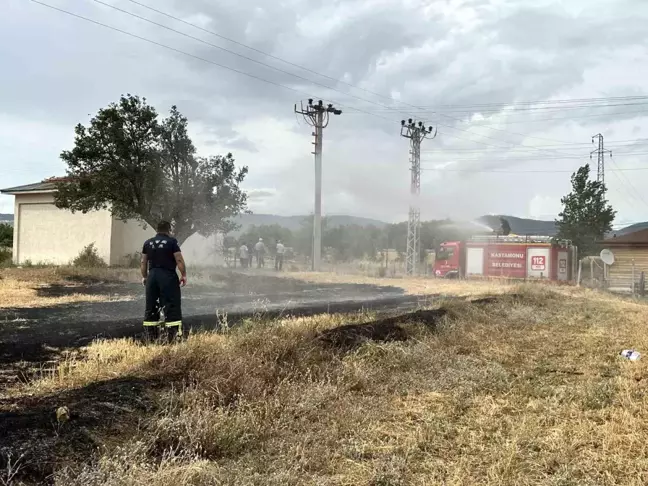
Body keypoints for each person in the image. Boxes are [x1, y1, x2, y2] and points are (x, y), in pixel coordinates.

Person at [141, 221, 187, 343]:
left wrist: (145, 277)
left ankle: (150, 337)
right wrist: (183, 275)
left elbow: (143, 262)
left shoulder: (148, 243)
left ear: (157, 229)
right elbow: (179, 260)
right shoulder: (172, 242)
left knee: (151, 306)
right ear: (169, 230)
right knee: (172, 304)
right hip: (167, 276)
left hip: (152, 276)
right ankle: (174, 337)